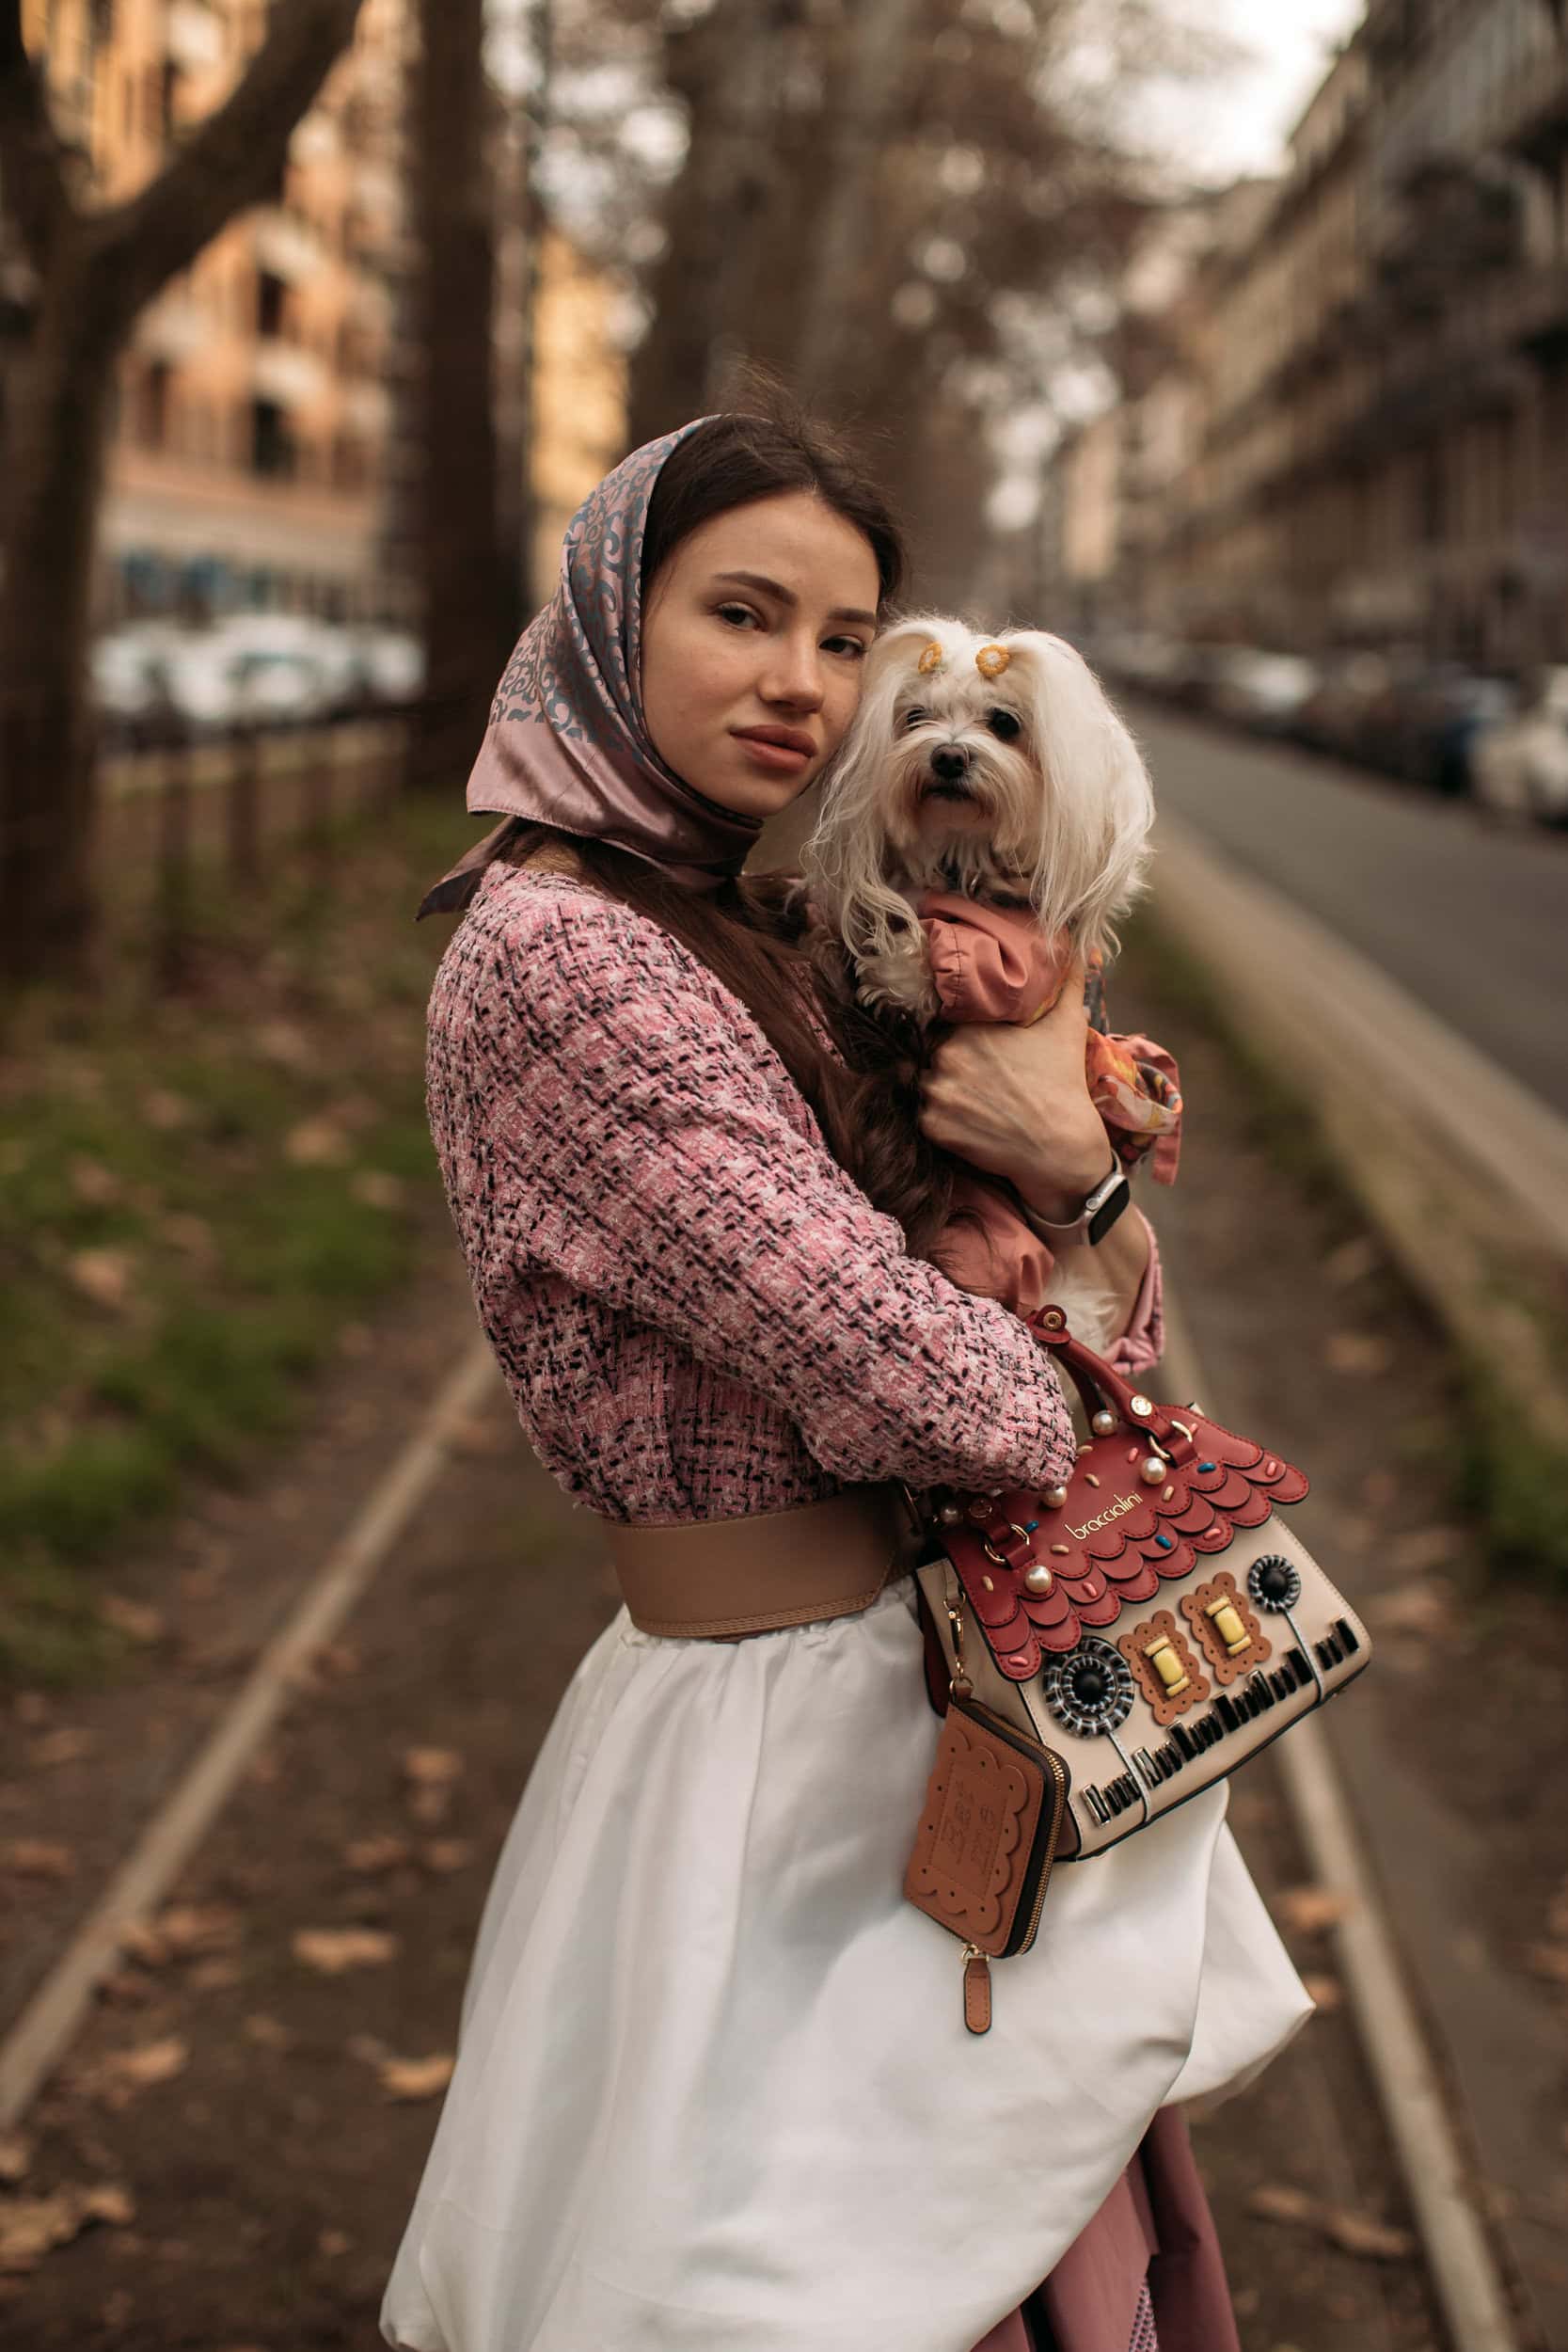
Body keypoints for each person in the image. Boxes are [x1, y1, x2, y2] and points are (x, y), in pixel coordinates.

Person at [380, 406, 1310, 2352]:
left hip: (921, 1691)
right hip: (781, 1739)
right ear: (612, 619)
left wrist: (1076, 1178)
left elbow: (1110, 1308)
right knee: (823, 2268)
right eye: (742, 613)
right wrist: (1064, 1237)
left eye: (841, 638)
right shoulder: (567, 957)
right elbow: (965, 1402)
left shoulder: (771, 922)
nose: (800, 684)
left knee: (995, 2233)